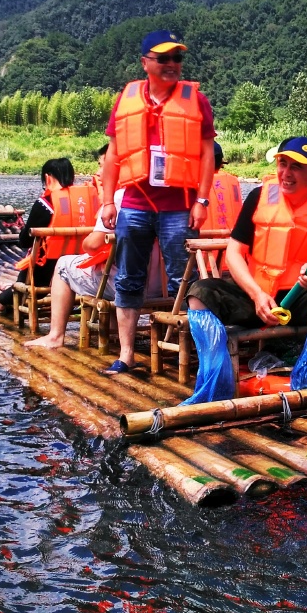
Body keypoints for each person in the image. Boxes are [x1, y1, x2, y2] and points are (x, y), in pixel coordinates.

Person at [181, 136, 307, 404]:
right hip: (258, 300)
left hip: (298, 301)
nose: (286, 173)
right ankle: (217, 383)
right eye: (282, 163)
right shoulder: (259, 197)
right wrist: (255, 294)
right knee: (199, 292)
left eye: (296, 167)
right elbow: (234, 253)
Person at [98, 29, 216, 374]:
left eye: (177, 58)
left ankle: (194, 354)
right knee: (128, 278)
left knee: (184, 279)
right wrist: (108, 202)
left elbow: (208, 155)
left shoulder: (197, 100)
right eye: (163, 58)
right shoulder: (127, 98)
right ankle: (127, 354)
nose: (172, 64)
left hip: (178, 206)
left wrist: (203, 201)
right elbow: (113, 155)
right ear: (145, 63)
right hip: (135, 203)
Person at [25, 148, 122, 349]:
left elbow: (92, 244)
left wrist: (88, 241)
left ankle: (55, 336)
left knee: (63, 264)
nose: (98, 173)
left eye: (101, 165)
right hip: (164, 286)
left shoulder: (115, 202)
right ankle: (114, 333)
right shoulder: (162, 201)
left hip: (123, 285)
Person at [0, 157, 93, 316]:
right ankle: (6, 291)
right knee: (25, 286)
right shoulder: (86, 201)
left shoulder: (46, 203)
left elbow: (24, 241)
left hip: (44, 271)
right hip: (78, 264)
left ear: (47, 177)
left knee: (24, 287)